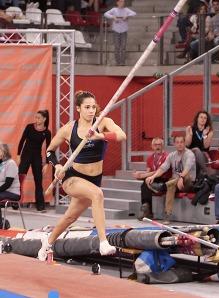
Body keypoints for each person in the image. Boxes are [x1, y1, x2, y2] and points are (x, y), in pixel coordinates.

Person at [38, 91, 127, 261]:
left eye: (93, 107)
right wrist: (56, 165)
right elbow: (49, 151)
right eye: (87, 107)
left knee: (70, 217)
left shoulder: (103, 123)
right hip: (73, 177)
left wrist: (99, 135)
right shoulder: (68, 129)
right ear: (78, 108)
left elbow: (122, 135)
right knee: (97, 195)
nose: (91, 110)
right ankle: (103, 242)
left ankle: (47, 242)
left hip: (94, 179)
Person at [146, 136, 196, 224]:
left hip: (188, 182)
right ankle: (168, 214)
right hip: (175, 182)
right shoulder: (172, 155)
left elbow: (187, 168)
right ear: (174, 144)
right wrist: (153, 176)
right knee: (171, 185)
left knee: (182, 178)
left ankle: (162, 187)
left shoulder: (189, 154)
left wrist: (181, 177)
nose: (180, 144)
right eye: (177, 142)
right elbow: (163, 168)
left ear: (184, 143)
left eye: (181, 142)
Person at [17, 110, 51, 212]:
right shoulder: (29, 127)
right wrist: (19, 155)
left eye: (39, 118)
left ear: (44, 119)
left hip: (37, 157)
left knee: (38, 181)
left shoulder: (47, 133)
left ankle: (40, 205)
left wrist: (47, 163)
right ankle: (15, 202)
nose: (36, 120)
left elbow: (49, 148)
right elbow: (22, 140)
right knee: (20, 178)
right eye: (35, 117)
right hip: (26, 155)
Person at [132, 137, 170, 221]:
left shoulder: (166, 156)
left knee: (147, 181)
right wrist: (139, 175)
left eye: (159, 144)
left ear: (163, 146)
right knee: (145, 184)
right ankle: (146, 206)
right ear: (152, 146)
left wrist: (143, 176)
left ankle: (147, 208)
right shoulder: (150, 158)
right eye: (155, 145)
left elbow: (160, 171)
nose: (157, 147)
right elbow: (148, 172)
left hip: (164, 178)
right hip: (154, 179)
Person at [104, 0, 137, 66]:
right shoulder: (114, 9)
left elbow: (134, 13)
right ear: (117, 2)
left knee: (123, 47)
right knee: (117, 47)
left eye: (123, 1)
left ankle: (122, 62)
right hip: (116, 31)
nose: (122, 3)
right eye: (121, 1)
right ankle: (117, 62)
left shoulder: (126, 9)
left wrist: (127, 16)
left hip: (124, 31)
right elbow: (105, 14)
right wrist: (113, 17)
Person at [186, 110, 214, 175]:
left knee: (199, 156)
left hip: (203, 155)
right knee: (196, 150)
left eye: (205, 118)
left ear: (207, 120)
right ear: (197, 119)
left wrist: (204, 135)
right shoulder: (190, 128)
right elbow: (187, 144)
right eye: (201, 117)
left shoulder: (209, 131)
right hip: (191, 152)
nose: (203, 119)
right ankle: (206, 171)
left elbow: (206, 146)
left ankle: (197, 179)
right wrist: (190, 135)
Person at [0, 143, 20, 229]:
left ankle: (1, 224)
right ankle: (2, 222)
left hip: (12, 192)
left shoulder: (11, 163)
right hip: (3, 191)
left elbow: (8, 184)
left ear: (4, 152)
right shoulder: (1, 164)